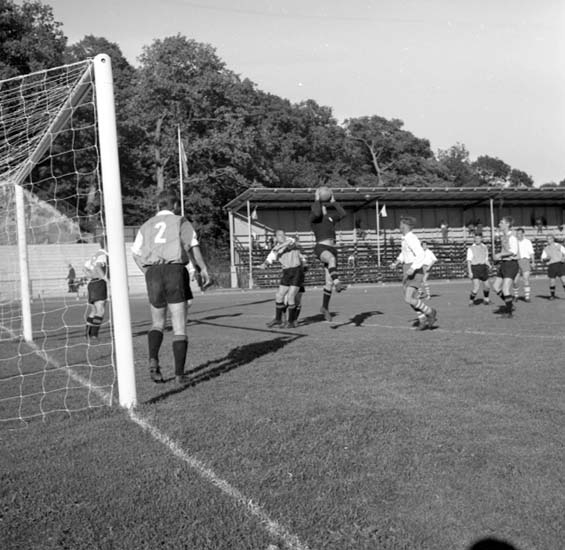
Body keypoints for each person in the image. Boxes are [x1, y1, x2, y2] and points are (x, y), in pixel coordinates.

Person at [131, 189, 210, 386]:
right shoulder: (180, 221)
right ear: (175, 206)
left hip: (153, 272)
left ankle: (153, 361)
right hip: (175, 270)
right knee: (179, 325)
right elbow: (193, 246)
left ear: (158, 206)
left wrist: (147, 272)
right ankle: (179, 375)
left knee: (157, 323)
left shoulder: (146, 225)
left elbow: (135, 253)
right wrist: (203, 268)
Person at [391, 216, 438, 330]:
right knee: (410, 299)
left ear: (405, 226)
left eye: (401, 224)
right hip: (407, 268)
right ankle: (422, 319)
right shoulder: (405, 238)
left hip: (415, 270)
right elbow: (404, 253)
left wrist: (413, 267)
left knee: (408, 298)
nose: (399, 226)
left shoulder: (411, 238)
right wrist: (396, 263)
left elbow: (420, 254)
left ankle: (430, 312)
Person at [310, 188, 347, 322]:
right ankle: (338, 282)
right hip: (321, 247)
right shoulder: (315, 218)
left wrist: (334, 202)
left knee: (328, 283)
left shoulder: (330, 218)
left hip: (332, 248)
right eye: (321, 206)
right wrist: (317, 199)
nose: (323, 208)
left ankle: (324, 307)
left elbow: (343, 214)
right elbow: (316, 211)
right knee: (331, 260)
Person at [258, 229, 306, 329]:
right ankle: (278, 319)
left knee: (291, 297)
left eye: (283, 234)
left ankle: (291, 321)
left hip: (297, 271)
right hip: (286, 273)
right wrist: (264, 265)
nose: (282, 236)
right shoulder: (275, 249)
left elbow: (291, 242)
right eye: (279, 235)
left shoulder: (290, 241)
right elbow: (270, 258)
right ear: (275, 237)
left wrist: (279, 246)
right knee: (279, 295)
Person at [491, 216, 519, 317]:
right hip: (504, 264)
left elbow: (513, 251)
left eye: (501, 222)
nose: (499, 224)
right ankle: (509, 304)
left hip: (511, 264)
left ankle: (509, 312)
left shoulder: (512, 237)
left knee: (505, 289)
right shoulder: (504, 236)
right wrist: (499, 259)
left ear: (507, 224)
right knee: (495, 287)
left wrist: (499, 255)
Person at [83, 242, 109, 340]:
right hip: (99, 283)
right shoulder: (102, 255)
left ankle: (87, 334)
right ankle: (94, 334)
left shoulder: (95, 255)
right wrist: (106, 279)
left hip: (92, 284)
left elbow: (84, 268)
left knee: (94, 310)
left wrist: (90, 275)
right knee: (100, 310)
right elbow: (98, 267)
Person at [466, 234, 491, 305]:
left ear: (481, 239)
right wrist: (470, 272)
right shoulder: (471, 248)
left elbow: (486, 259)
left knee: (487, 286)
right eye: (476, 238)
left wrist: (489, 265)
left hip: (483, 268)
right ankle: (471, 301)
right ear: (474, 239)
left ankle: (486, 299)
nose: (477, 240)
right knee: (476, 287)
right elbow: (468, 261)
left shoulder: (485, 247)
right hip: (475, 268)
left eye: (478, 238)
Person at [513, 227, 535, 302]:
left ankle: (527, 297)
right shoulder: (514, 242)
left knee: (526, 279)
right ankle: (516, 296)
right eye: (517, 233)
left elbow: (531, 252)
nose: (518, 235)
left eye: (519, 233)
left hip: (525, 261)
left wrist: (533, 262)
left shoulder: (527, 242)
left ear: (523, 234)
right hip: (516, 261)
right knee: (515, 281)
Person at [540, 235, 565, 300]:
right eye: (547, 239)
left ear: (553, 239)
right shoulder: (546, 248)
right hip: (552, 266)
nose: (548, 240)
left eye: (550, 239)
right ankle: (552, 295)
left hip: (560, 265)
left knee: (564, 280)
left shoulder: (559, 246)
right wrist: (546, 258)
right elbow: (542, 259)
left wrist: (564, 258)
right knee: (552, 282)